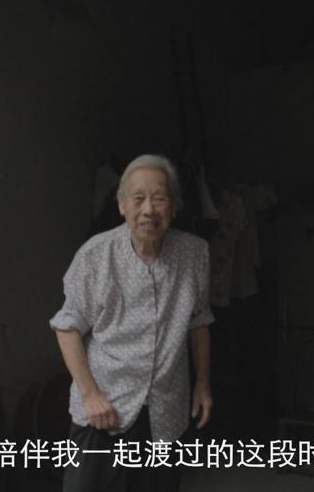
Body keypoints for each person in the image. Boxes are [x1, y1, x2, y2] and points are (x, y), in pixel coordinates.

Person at [50, 154, 215, 492]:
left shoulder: (194, 255)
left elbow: (199, 321)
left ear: (174, 207)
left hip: (164, 413)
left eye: (160, 198)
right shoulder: (96, 256)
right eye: (138, 198)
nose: (149, 210)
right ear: (121, 205)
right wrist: (90, 395)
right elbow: (67, 328)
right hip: (104, 410)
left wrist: (202, 383)